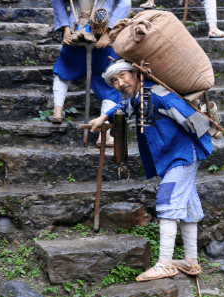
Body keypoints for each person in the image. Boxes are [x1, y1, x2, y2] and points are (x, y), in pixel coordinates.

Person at [88, 59, 213, 280]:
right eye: (114, 81)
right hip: (169, 157)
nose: (120, 83)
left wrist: (208, 131)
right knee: (188, 205)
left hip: (181, 155)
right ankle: (190, 261)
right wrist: (103, 117)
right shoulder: (135, 98)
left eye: (123, 76)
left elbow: (184, 113)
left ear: (135, 74)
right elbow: (122, 109)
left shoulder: (156, 93)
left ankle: (164, 263)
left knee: (166, 199)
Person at [51, 0, 131, 147]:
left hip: (75, 29)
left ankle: (57, 109)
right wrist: (109, 32)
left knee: (65, 65)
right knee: (111, 80)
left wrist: (66, 28)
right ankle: (104, 135)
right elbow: (126, 1)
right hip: (102, 30)